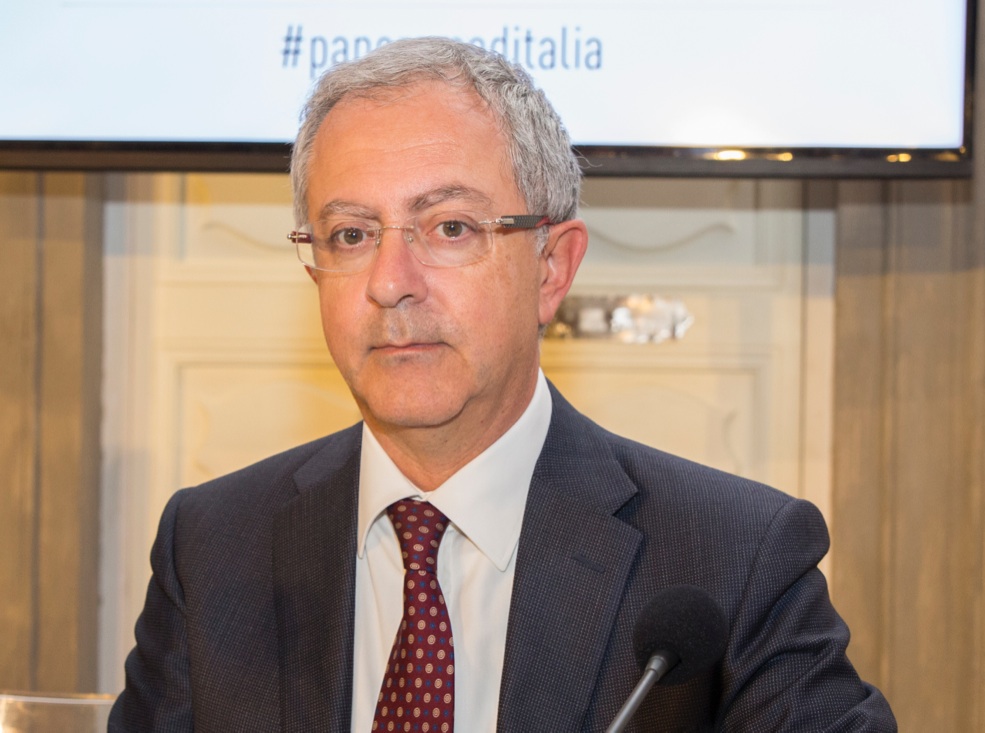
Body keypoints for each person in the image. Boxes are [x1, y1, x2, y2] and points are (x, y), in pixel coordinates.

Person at [109, 37, 896, 732]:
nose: (390, 281)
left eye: (450, 227)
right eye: (350, 234)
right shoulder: (211, 547)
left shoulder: (732, 558)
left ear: (551, 268)